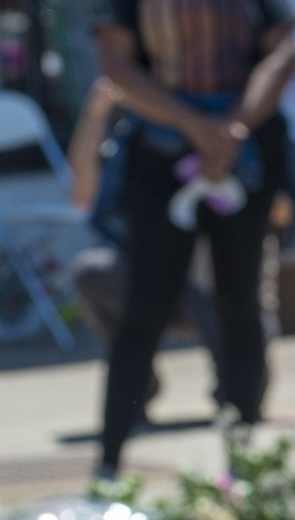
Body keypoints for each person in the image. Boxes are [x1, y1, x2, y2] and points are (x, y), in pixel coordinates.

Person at [90, 0, 295, 482]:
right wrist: (191, 125)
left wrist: (232, 126)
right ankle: (108, 460)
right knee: (145, 307)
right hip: (160, 159)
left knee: (240, 306)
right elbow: (116, 63)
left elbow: (282, 52)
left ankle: (247, 455)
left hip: (246, 157)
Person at [64, 76, 224, 415]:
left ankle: (233, 388)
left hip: (203, 274)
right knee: (91, 272)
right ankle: (137, 384)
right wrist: (95, 113)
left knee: (203, 271)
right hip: (147, 274)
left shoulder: (196, 112)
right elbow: (81, 195)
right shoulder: (124, 142)